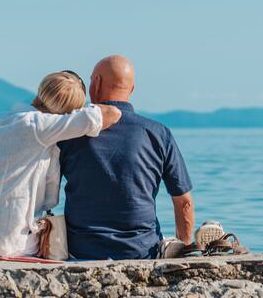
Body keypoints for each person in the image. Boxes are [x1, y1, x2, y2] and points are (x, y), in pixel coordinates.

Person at [0, 71, 121, 257]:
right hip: (4, 243)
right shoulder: (41, 126)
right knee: (63, 244)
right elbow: (112, 113)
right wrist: (77, 113)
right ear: (66, 112)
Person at [58, 55, 194, 260]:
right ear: (131, 90)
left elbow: (44, 194)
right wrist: (184, 246)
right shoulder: (158, 133)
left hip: (81, 250)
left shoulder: (69, 132)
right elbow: (183, 201)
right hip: (141, 251)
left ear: (96, 84)